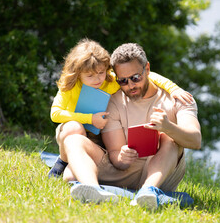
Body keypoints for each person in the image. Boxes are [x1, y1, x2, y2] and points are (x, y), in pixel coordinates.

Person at [65, 42, 201, 210]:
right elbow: (115, 155)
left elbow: (195, 140)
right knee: (72, 146)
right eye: (123, 81)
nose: (130, 85)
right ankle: (93, 190)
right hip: (123, 173)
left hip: (160, 173)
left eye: (136, 78)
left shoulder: (178, 99)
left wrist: (168, 127)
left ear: (147, 68)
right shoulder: (114, 100)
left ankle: (148, 191)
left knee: (168, 138)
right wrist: (121, 157)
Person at [48, 38, 194, 180]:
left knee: (74, 175)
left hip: (98, 134)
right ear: (78, 74)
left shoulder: (113, 81)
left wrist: (173, 88)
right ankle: (63, 161)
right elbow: (55, 114)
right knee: (74, 129)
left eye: (100, 72)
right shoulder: (69, 86)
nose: (97, 79)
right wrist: (89, 119)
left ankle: (86, 172)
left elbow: (146, 75)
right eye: (90, 76)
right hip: (75, 128)